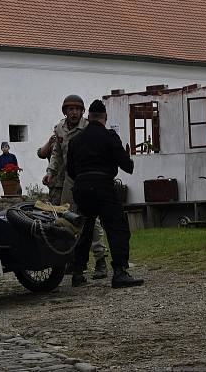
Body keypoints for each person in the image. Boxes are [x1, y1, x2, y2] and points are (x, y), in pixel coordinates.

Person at [67, 100, 144, 289]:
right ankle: (120, 272)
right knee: (117, 228)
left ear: (89, 117)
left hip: (82, 188)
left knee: (85, 229)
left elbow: (70, 171)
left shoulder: (75, 141)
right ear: (105, 118)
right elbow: (128, 166)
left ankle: (77, 273)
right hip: (103, 187)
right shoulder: (110, 137)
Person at [43, 94, 108, 279]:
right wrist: (50, 172)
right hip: (68, 180)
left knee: (91, 220)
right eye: (70, 109)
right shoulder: (59, 129)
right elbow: (56, 154)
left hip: (87, 178)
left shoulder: (89, 128)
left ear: (82, 112)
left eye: (77, 109)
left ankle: (100, 258)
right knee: (67, 219)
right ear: (65, 111)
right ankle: (74, 260)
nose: (73, 113)